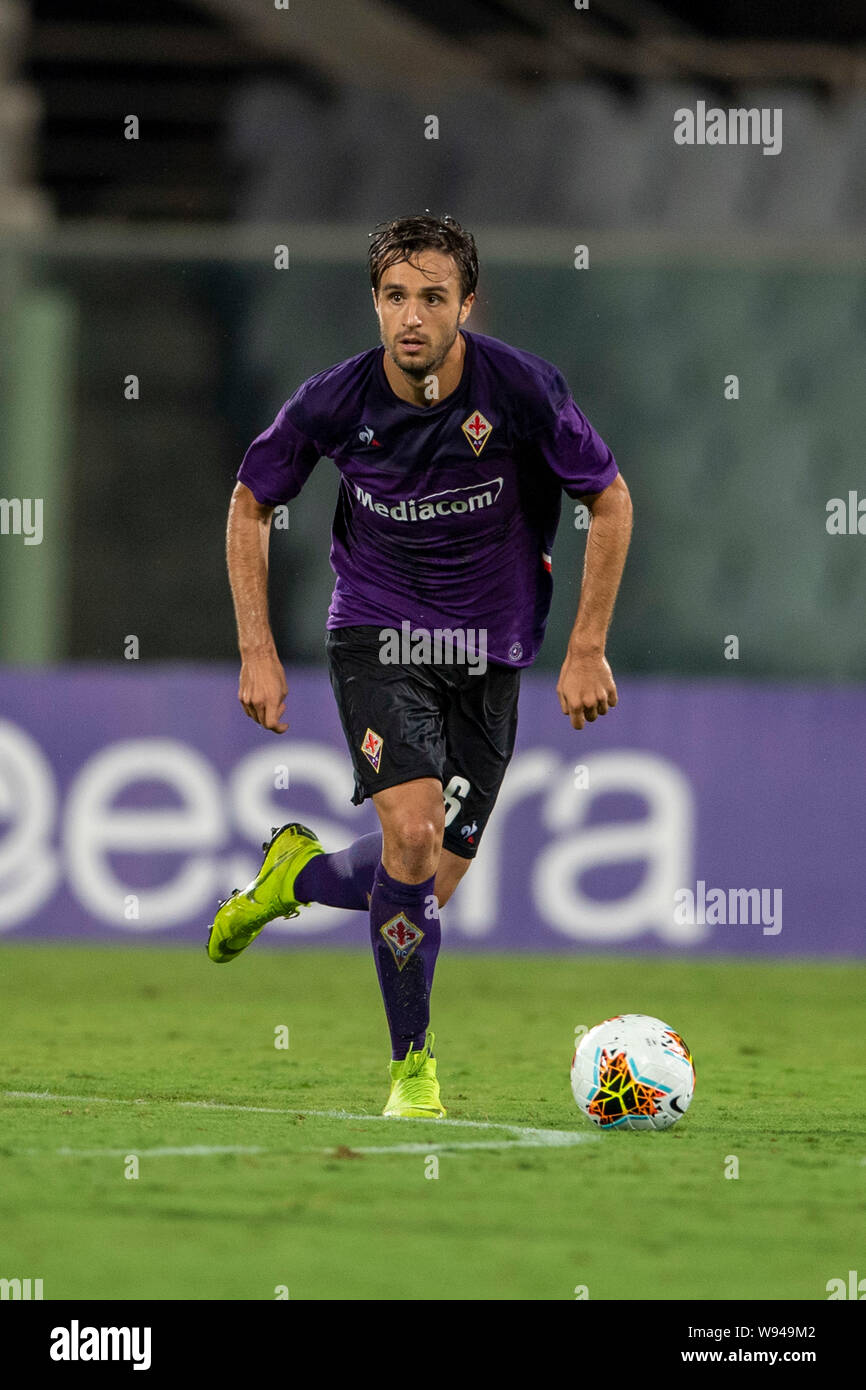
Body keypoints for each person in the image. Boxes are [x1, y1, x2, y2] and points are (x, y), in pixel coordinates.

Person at [208, 213, 633, 1120]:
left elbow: (609, 496)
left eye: (433, 297)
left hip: (490, 658)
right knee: (407, 841)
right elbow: (251, 502)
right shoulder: (334, 401)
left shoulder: (521, 391)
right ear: (374, 303)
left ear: (466, 305)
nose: (412, 316)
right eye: (396, 296)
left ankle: (295, 875)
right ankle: (413, 1072)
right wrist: (257, 648)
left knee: (420, 887)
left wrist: (587, 647)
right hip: (379, 638)